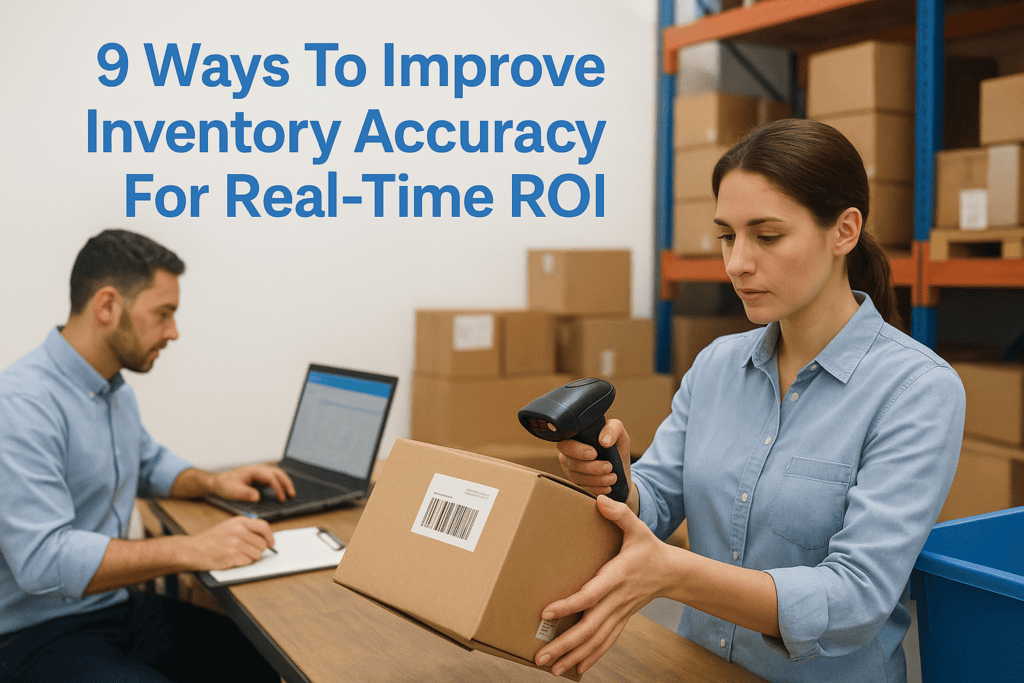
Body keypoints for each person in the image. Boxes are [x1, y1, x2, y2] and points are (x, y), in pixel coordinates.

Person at [534, 119, 966, 682]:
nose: (737, 262)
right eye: (726, 235)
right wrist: (614, 483)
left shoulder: (916, 391)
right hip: (693, 668)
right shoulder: (717, 365)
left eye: (766, 236)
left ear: (844, 231)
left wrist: (674, 575)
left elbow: (857, 598)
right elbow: (659, 504)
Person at [0, 229, 296, 682]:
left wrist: (212, 482)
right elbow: (44, 560)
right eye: (163, 314)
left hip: (113, 605)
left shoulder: (113, 390)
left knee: (261, 661)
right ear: (107, 306)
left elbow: (149, 464)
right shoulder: (21, 404)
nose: (173, 332)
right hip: (35, 632)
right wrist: (191, 549)